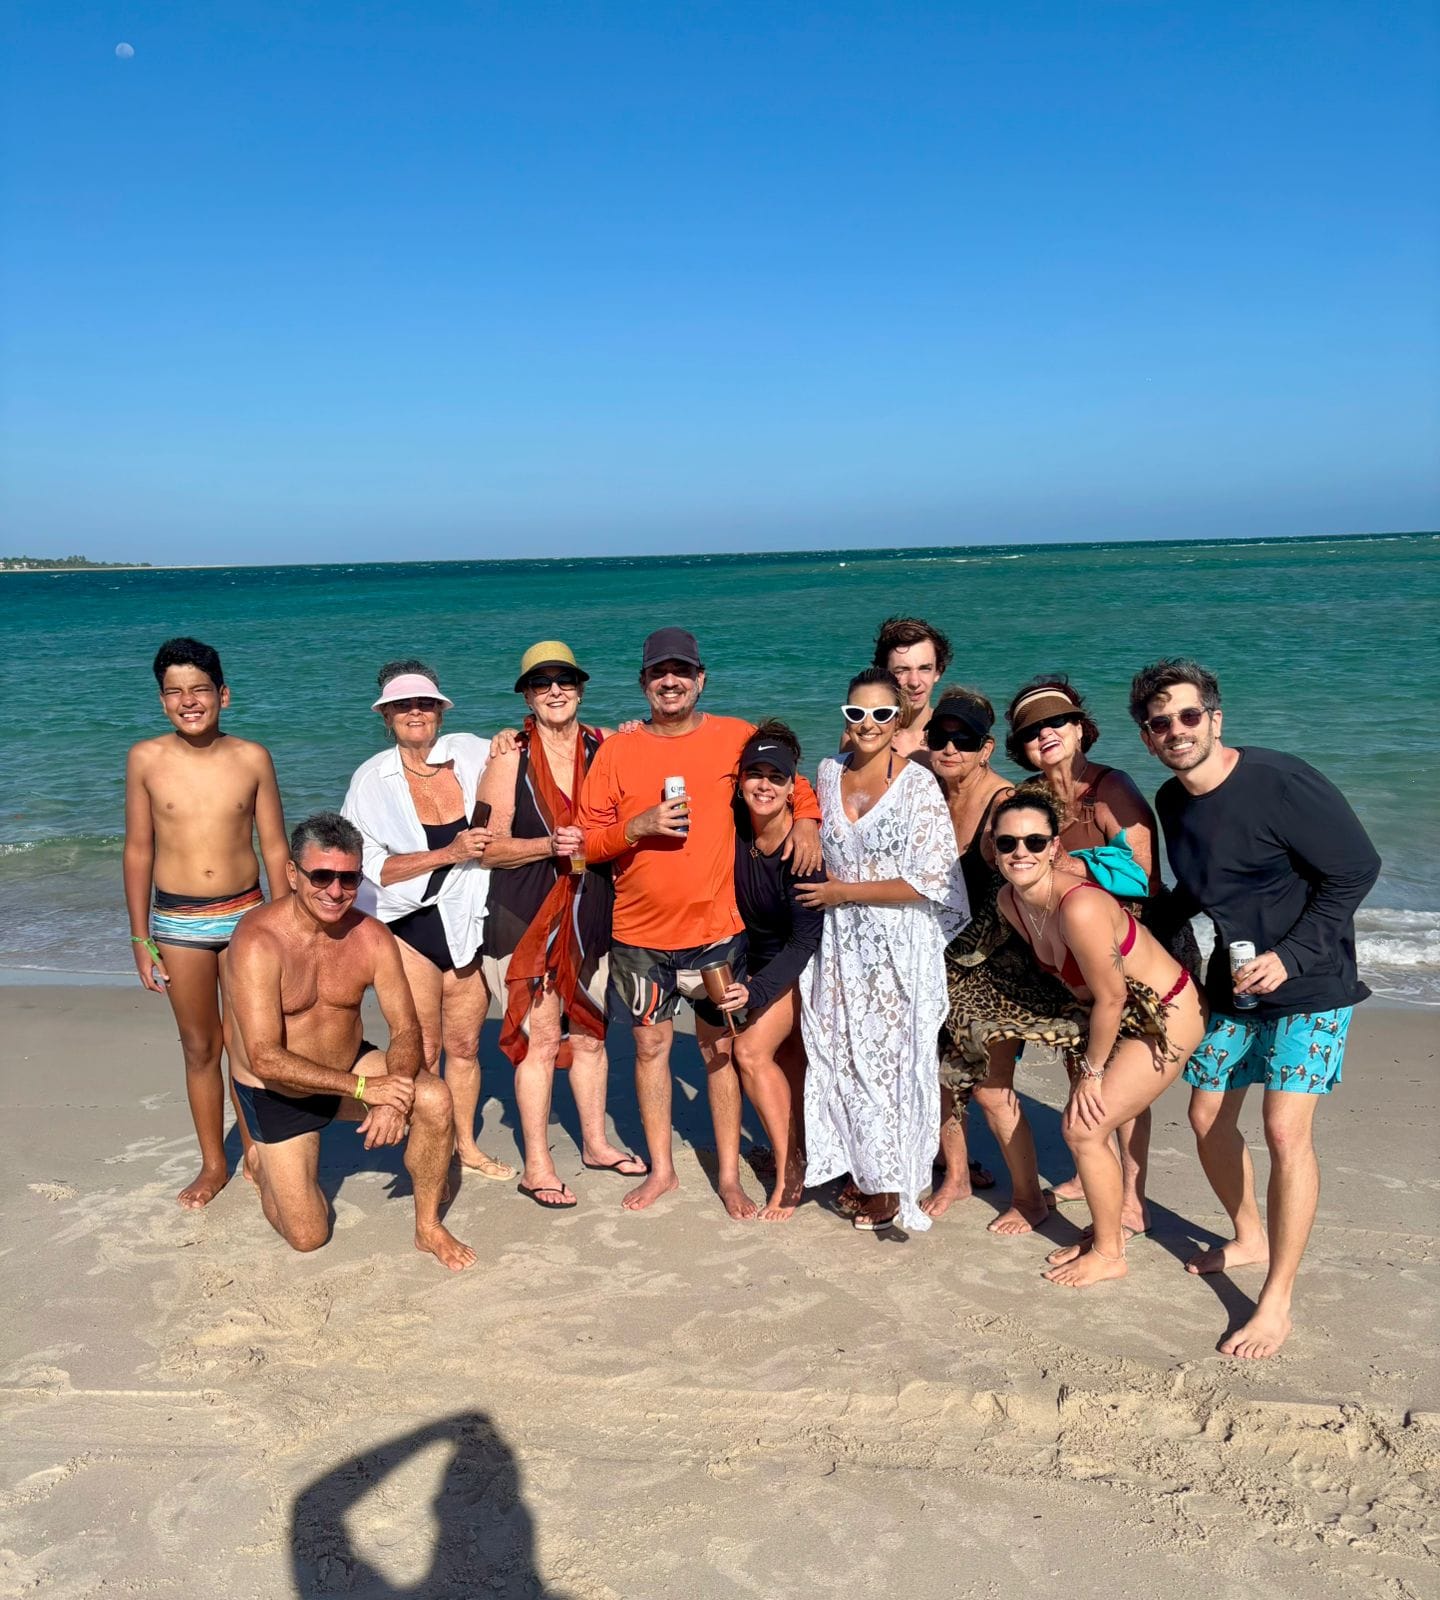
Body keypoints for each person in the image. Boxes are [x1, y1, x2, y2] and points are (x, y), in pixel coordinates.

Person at [1131, 658, 1380, 1357]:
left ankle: (1276, 1300)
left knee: (1283, 1129)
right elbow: (1200, 889)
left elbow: (1355, 870)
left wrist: (1290, 957)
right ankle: (1248, 1236)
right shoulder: (1173, 801)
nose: (1176, 731)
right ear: (1147, 738)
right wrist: (1126, 927)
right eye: (1160, 723)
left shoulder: (1281, 781)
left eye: (1188, 716)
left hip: (1313, 981)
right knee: (1206, 1116)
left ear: (1215, 718)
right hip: (1236, 985)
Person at [577, 627, 823, 1217]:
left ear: (700, 679)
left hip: (717, 933)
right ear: (643, 682)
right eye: (659, 672)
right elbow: (586, 841)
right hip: (638, 936)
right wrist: (636, 827)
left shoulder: (734, 737)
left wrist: (807, 820)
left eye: (681, 671)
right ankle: (662, 1171)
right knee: (650, 1049)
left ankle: (730, 1177)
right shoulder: (617, 751)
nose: (671, 681)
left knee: (719, 1054)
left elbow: (787, 778)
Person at [227, 813, 475, 1271]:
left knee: (434, 1099)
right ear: (292, 874)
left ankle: (428, 1227)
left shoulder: (371, 937)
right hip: (278, 1092)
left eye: (349, 878)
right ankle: (262, 1165)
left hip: (348, 1068)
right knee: (308, 1237)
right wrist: (366, 1090)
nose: (336, 891)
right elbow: (265, 1058)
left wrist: (394, 1096)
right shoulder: (258, 941)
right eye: (321, 876)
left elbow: (406, 1029)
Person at [994, 786, 1206, 1287]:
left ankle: (1110, 1253)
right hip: (1114, 1015)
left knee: (1082, 1127)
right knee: (1088, 1127)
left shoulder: (1081, 907)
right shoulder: (1009, 901)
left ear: (1054, 847)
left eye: (1034, 841)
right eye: (1007, 843)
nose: (1021, 852)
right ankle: (1108, 1231)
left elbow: (1111, 996)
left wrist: (1091, 1073)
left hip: (1166, 1013)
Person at [799, 668, 970, 1233]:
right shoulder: (827, 773)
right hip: (841, 944)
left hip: (899, 945)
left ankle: (896, 1183)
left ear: (898, 721)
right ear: (845, 718)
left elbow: (933, 881)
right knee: (846, 1056)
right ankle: (866, 1171)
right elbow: (800, 817)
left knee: (896, 1062)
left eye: (881, 713)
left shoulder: (918, 784)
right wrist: (803, 827)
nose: (868, 723)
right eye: (857, 713)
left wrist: (844, 892)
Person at [477, 641, 646, 1209]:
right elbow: (485, 848)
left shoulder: (609, 745)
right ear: (526, 695)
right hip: (526, 914)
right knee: (542, 1039)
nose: (554, 690)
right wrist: (548, 845)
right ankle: (537, 1165)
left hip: (592, 908)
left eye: (565, 680)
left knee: (593, 1033)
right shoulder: (509, 756)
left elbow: (643, 800)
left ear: (580, 689)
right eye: (541, 682)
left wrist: (639, 732)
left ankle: (595, 1144)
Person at [122, 636, 289, 1209]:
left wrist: (287, 926)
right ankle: (214, 1163)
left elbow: (274, 847)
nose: (188, 701)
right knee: (200, 1047)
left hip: (248, 916)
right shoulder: (145, 759)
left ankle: (258, 1149)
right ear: (162, 700)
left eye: (199, 689)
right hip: (178, 922)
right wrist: (140, 936)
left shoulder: (252, 757)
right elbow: (138, 850)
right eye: (174, 692)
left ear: (223, 694)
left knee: (250, 1043)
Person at [1002, 677, 1165, 1239]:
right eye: (1032, 730)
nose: (1046, 734)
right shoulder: (1028, 795)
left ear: (1079, 729)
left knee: (1120, 1077)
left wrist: (1076, 865)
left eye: (1057, 722)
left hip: (1122, 954)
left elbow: (1145, 877)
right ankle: (1089, 1170)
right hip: (1062, 959)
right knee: (1080, 1061)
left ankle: (1133, 1197)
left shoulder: (1109, 787)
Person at [342, 660, 511, 1179]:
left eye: (425, 704)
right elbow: (369, 866)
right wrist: (448, 853)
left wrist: (511, 736)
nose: (415, 713)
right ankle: (431, 1149)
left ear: (440, 710)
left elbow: (534, 754)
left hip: (467, 921)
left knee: (465, 1046)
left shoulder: (470, 752)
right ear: (386, 715)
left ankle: (467, 1146)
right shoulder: (371, 780)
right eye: (402, 706)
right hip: (406, 927)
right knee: (425, 1048)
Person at [710, 722, 826, 1221]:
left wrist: (756, 991)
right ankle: (800, 1148)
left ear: (791, 786)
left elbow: (805, 942)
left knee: (751, 1052)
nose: (764, 785)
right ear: (739, 781)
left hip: (803, 965)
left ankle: (790, 1169)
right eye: (754, 774)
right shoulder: (734, 822)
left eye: (776, 777)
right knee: (788, 1060)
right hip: (751, 957)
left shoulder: (803, 853)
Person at [844, 616, 953, 760]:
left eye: (924, 669)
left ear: (938, 672)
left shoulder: (957, 737)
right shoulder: (864, 736)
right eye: (902, 670)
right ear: (884, 673)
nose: (914, 682)